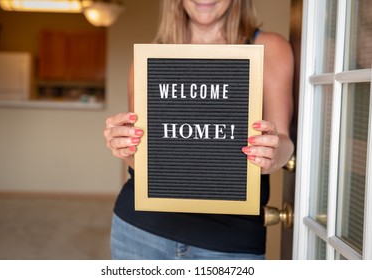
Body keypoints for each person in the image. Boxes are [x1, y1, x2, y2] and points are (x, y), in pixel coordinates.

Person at [103, 0, 294, 260]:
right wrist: (123, 145)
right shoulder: (149, 60)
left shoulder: (269, 48)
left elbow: (284, 143)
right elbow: (142, 159)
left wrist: (272, 153)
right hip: (141, 233)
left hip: (231, 242)